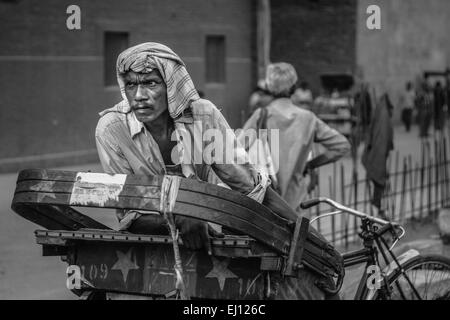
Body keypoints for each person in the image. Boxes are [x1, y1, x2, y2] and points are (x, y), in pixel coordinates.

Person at [95, 43, 338, 299]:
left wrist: (311, 238)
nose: (139, 95)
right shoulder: (112, 129)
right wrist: (179, 218)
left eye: (151, 83)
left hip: (211, 234)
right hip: (151, 247)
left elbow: (250, 187)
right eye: (131, 85)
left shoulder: (202, 117)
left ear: (172, 85)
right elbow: (130, 212)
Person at [239, 62, 351, 215]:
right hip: (297, 206)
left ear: (270, 87)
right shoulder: (308, 119)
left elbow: (235, 152)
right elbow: (342, 146)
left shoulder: (261, 116)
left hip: (268, 203)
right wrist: (310, 165)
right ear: (294, 87)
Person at [362, 93, 394, 218]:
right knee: (379, 177)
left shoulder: (381, 114)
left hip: (378, 154)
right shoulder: (383, 115)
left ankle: (379, 208)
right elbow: (381, 140)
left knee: (379, 179)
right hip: (378, 155)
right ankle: (378, 208)